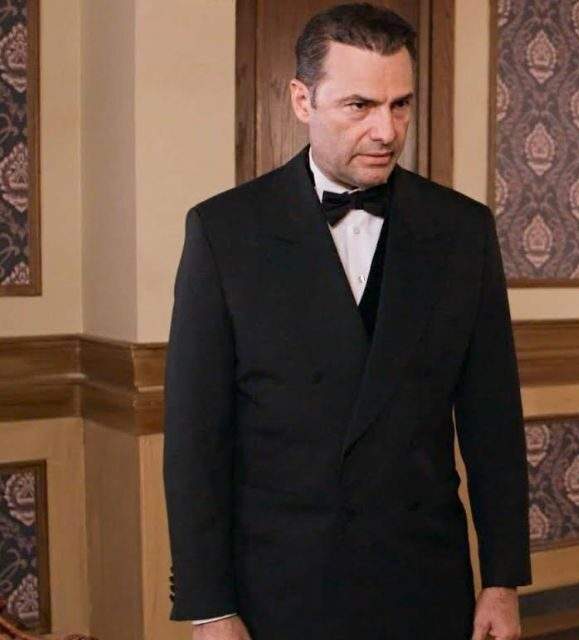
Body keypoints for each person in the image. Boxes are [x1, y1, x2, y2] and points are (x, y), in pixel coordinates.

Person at [163, 4, 529, 639]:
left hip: (425, 584)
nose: (386, 131)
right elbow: (196, 439)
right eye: (360, 106)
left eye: (400, 105)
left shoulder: (463, 230)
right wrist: (210, 608)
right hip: (280, 591)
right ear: (302, 100)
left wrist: (502, 581)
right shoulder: (223, 231)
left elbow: (492, 420)